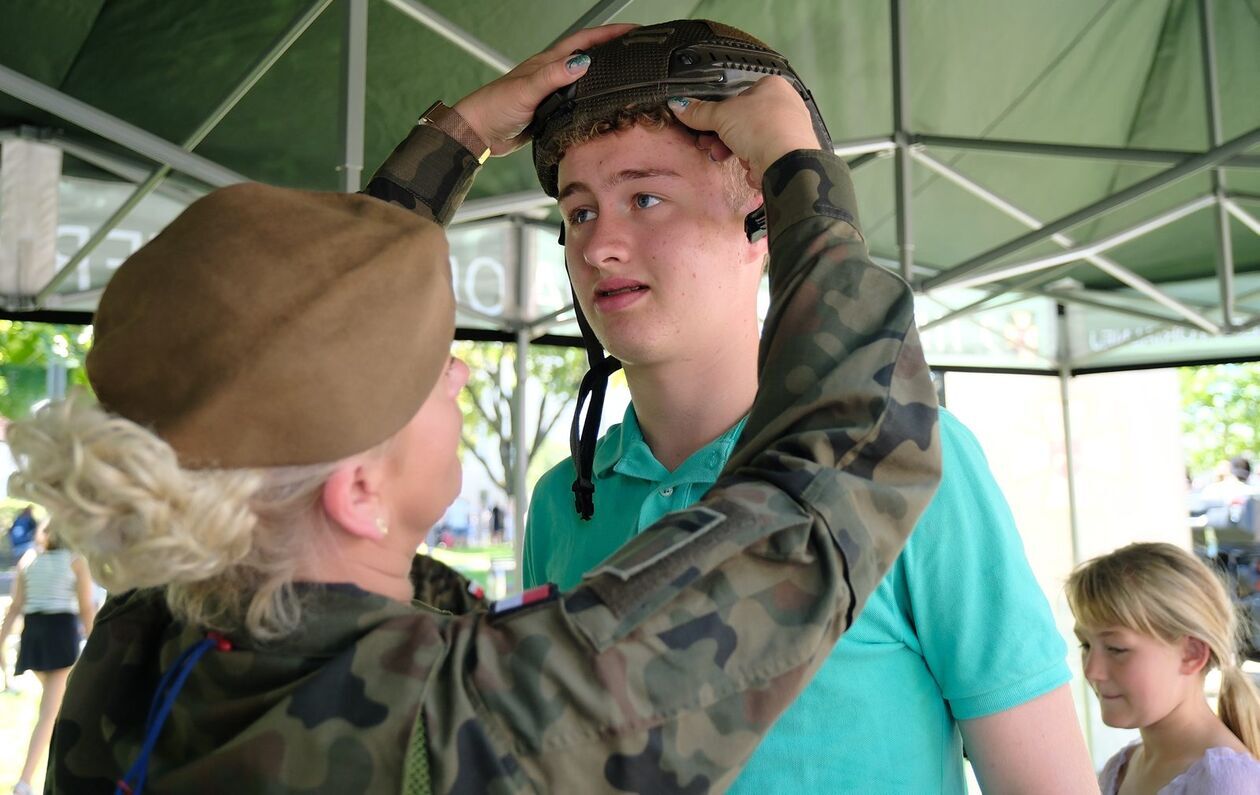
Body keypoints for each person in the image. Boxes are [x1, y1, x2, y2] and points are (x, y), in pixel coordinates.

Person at [7, 23, 941, 794]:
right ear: (360, 489)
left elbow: (256, 339)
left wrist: (454, 141)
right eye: (421, 374)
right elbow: (834, 480)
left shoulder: (140, 653)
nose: (455, 374)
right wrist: (799, 167)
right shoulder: (480, 723)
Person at [518, 19, 1097, 794]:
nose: (598, 246)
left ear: (764, 221)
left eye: (645, 198)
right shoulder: (565, 501)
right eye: (579, 211)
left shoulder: (913, 459)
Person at [1067, 542, 1260, 793]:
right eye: (1085, 645)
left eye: (1116, 649)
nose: (1092, 671)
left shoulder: (1227, 783)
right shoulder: (1121, 768)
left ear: (1191, 654)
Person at [0, 525, 96, 795]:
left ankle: (56, 771)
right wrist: (96, 644)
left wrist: (2, 640)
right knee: (50, 713)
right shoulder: (77, 561)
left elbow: (16, 605)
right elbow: (86, 607)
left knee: (58, 708)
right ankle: (25, 781)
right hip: (59, 636)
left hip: (34, 635)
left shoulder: (29, 560)